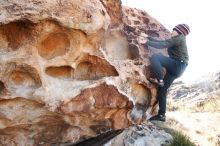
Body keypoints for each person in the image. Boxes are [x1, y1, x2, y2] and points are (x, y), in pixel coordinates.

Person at [143, 24, 190, 122]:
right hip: (178, 68)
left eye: (174, 30)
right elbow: (163, 42)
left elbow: (163, 45)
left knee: (156, 57)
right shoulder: (178, 39)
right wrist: (149, 37)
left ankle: (159, 78)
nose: (171, 31)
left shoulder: (179, 38)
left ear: (179, 32)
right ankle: (161, 115)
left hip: (178, 64)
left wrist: (146, 42)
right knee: (162, 90)